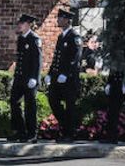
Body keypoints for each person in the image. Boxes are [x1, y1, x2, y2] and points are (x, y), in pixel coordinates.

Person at [47, 8, 82, 141]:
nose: (58, 20)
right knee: (53, 100)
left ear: (67, 20)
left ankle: (70, 133)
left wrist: (66, 74)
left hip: (69, 79)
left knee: (70, 105)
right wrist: (51, 73)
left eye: (60, 18)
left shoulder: (74, 36)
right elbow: (56, 58)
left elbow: (76, 57)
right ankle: (66, 126)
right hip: (58, 77)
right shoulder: (61, 37)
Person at [9, 13, 42, 143]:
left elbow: (38, 60)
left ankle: (32, 133)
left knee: (30, 106)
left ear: (28, 24)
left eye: (21, 23)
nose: (19, 25)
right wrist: (15, 75)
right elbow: (19, 60)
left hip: (30, 79)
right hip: (20, 77)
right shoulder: (21, 39)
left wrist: (34, 77)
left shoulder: (35, 39)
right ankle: (20, 131)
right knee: (14, 102)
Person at [102, 39, 125, 144]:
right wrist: (109, 82)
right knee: (112, 111)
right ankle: (111, 136)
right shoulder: (115, 44)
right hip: (116, 83)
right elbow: (114, 66)